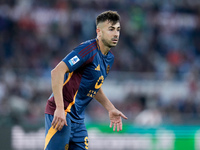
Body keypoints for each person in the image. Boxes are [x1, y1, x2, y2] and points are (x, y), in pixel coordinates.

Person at [44, 10, 128, 150]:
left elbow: (93, 86)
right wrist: (59, 108)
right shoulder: (88, 49)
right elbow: (57, 72)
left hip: (78, 119)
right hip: (61, 113)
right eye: (111, 29)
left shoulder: (109, 58)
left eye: (118, 30)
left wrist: (110, 108)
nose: (116, 34)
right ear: (99, 31)